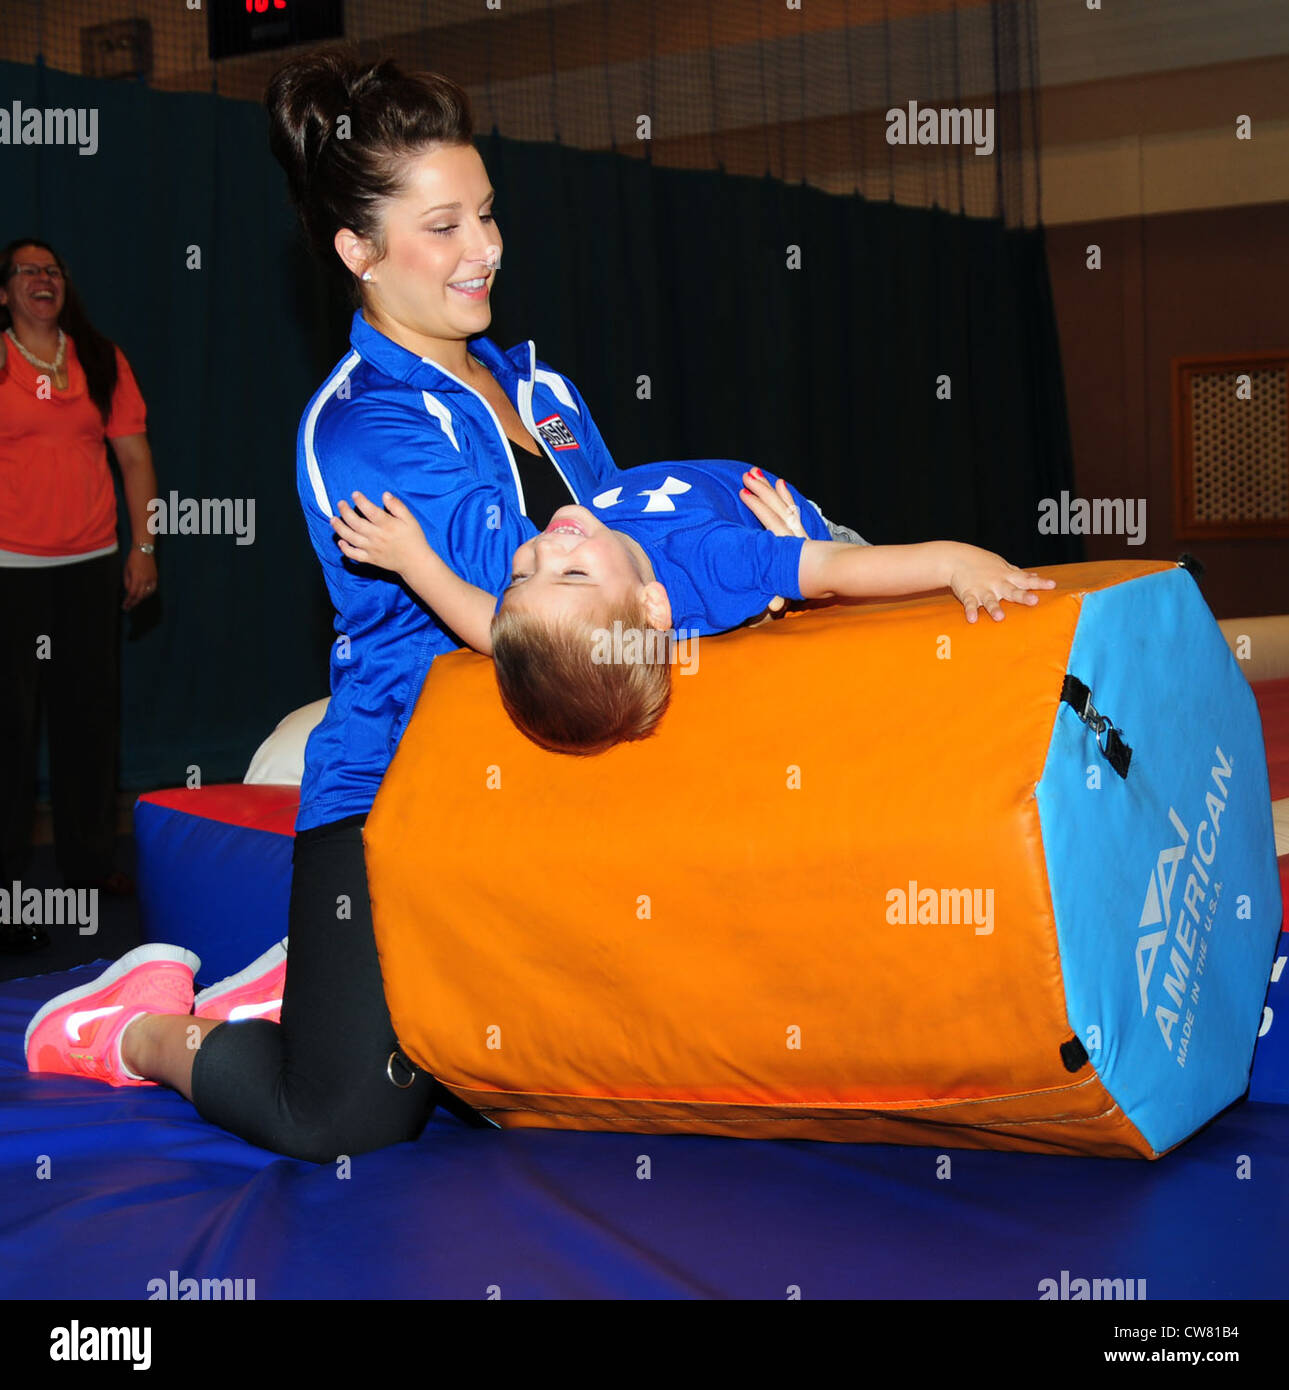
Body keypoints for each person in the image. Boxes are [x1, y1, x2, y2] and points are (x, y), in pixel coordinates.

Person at [22, 50, 633, 1161]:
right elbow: (519, 626)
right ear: (357, 250)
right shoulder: (362, 427)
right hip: (400, 796)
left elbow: (625, 570)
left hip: (549, 778)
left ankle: (310, 974)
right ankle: (148, 1023)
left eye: (486, 215)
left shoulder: (541, 391)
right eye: (441, 227)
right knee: (345, 1116)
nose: (483, 250)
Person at [325, 459, 1057, 754]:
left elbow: (489, 629)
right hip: (804, 543)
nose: (544, 548)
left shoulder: (582, 594)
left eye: (522, 575)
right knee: (845, 601)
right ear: (652, 604)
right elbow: (838, 567)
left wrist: (412, 561)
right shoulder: (712, 563)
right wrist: (955, 560)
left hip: (783, 559)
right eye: (570, 572)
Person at [0, 238, 159, 951]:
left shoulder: (99, 358)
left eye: (53, 271)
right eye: (27, 272)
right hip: (10, 573)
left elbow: (133, 457)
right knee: (9, 731)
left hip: (90, 568)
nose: (42, 280)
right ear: (4, 294)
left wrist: (144, 546)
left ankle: (89, 868)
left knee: (87, 724)